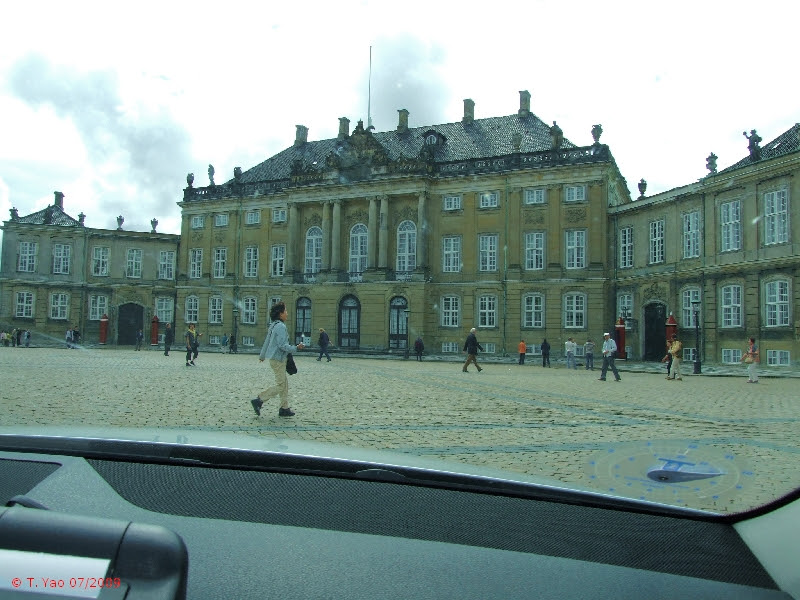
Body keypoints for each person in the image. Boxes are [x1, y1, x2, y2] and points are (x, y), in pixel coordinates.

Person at [251, 302, 305, 417]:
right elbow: (282, 345)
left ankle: (284, 408)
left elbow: (267, 341)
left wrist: (262, 355)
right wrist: (296, 348)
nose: (287, 313)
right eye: (285, 311)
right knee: (281, 385)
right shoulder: (280, 326)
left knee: (284, 384)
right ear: (280, 314)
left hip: (275, 358)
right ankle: (259, 400)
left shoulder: (273, 325)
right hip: (278, 359)